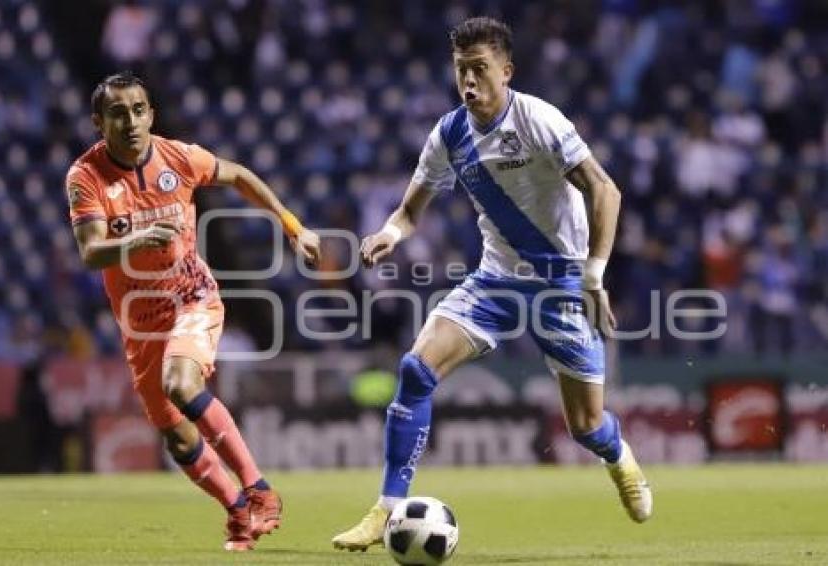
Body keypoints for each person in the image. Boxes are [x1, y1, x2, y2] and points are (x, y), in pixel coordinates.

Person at [332, 17, 652, 552]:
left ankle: (619, 456)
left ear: (507, 71)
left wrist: (594, 272)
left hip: (561, 282)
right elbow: (411, 210)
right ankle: (385, 510)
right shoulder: (450, 134)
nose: (469, 82)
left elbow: (605, 189)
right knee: (415, 370)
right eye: (461, 70)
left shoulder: (539, 120)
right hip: (496, 280)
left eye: (479, 69)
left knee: (585, 426)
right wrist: (390, 232)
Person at [66, 72, 321, 551]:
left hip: (192, 296)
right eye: (118, 113)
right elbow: (90, 251)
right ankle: (237, 510)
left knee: (182, 384)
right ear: (99, 122)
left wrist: (293, 227)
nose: (131, 121)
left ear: (151, 114)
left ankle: (258, 489)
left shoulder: (178, 157)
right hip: (139, 322)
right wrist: (139, 240)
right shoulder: (85, 176)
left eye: (139, 110)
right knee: (178, 439)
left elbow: (241, 176)